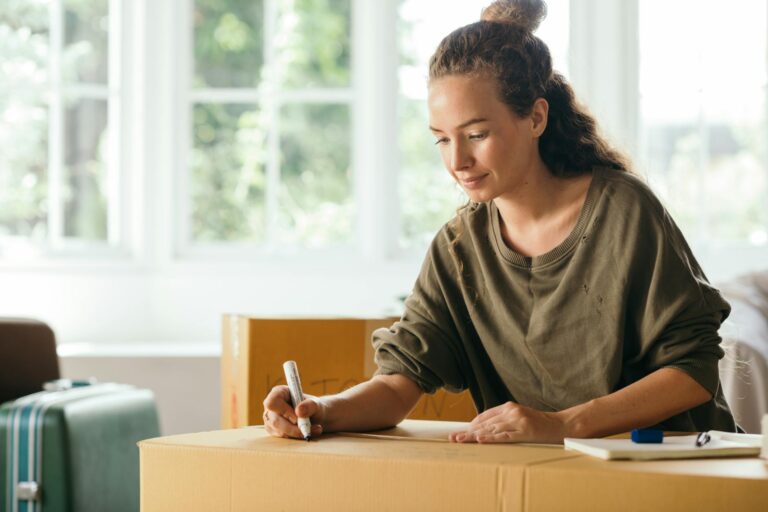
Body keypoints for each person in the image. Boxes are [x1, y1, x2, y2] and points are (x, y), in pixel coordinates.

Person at [263, 0, 737, 444]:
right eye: (442, 140)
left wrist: (561, 424)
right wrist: (321, 409)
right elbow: (398, 385)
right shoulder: (458, 246)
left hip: (671, 469)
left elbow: (692, 372)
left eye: (476, 134)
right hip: (550, 477)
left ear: (535, 117)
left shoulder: (625, 211)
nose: (458, 161)